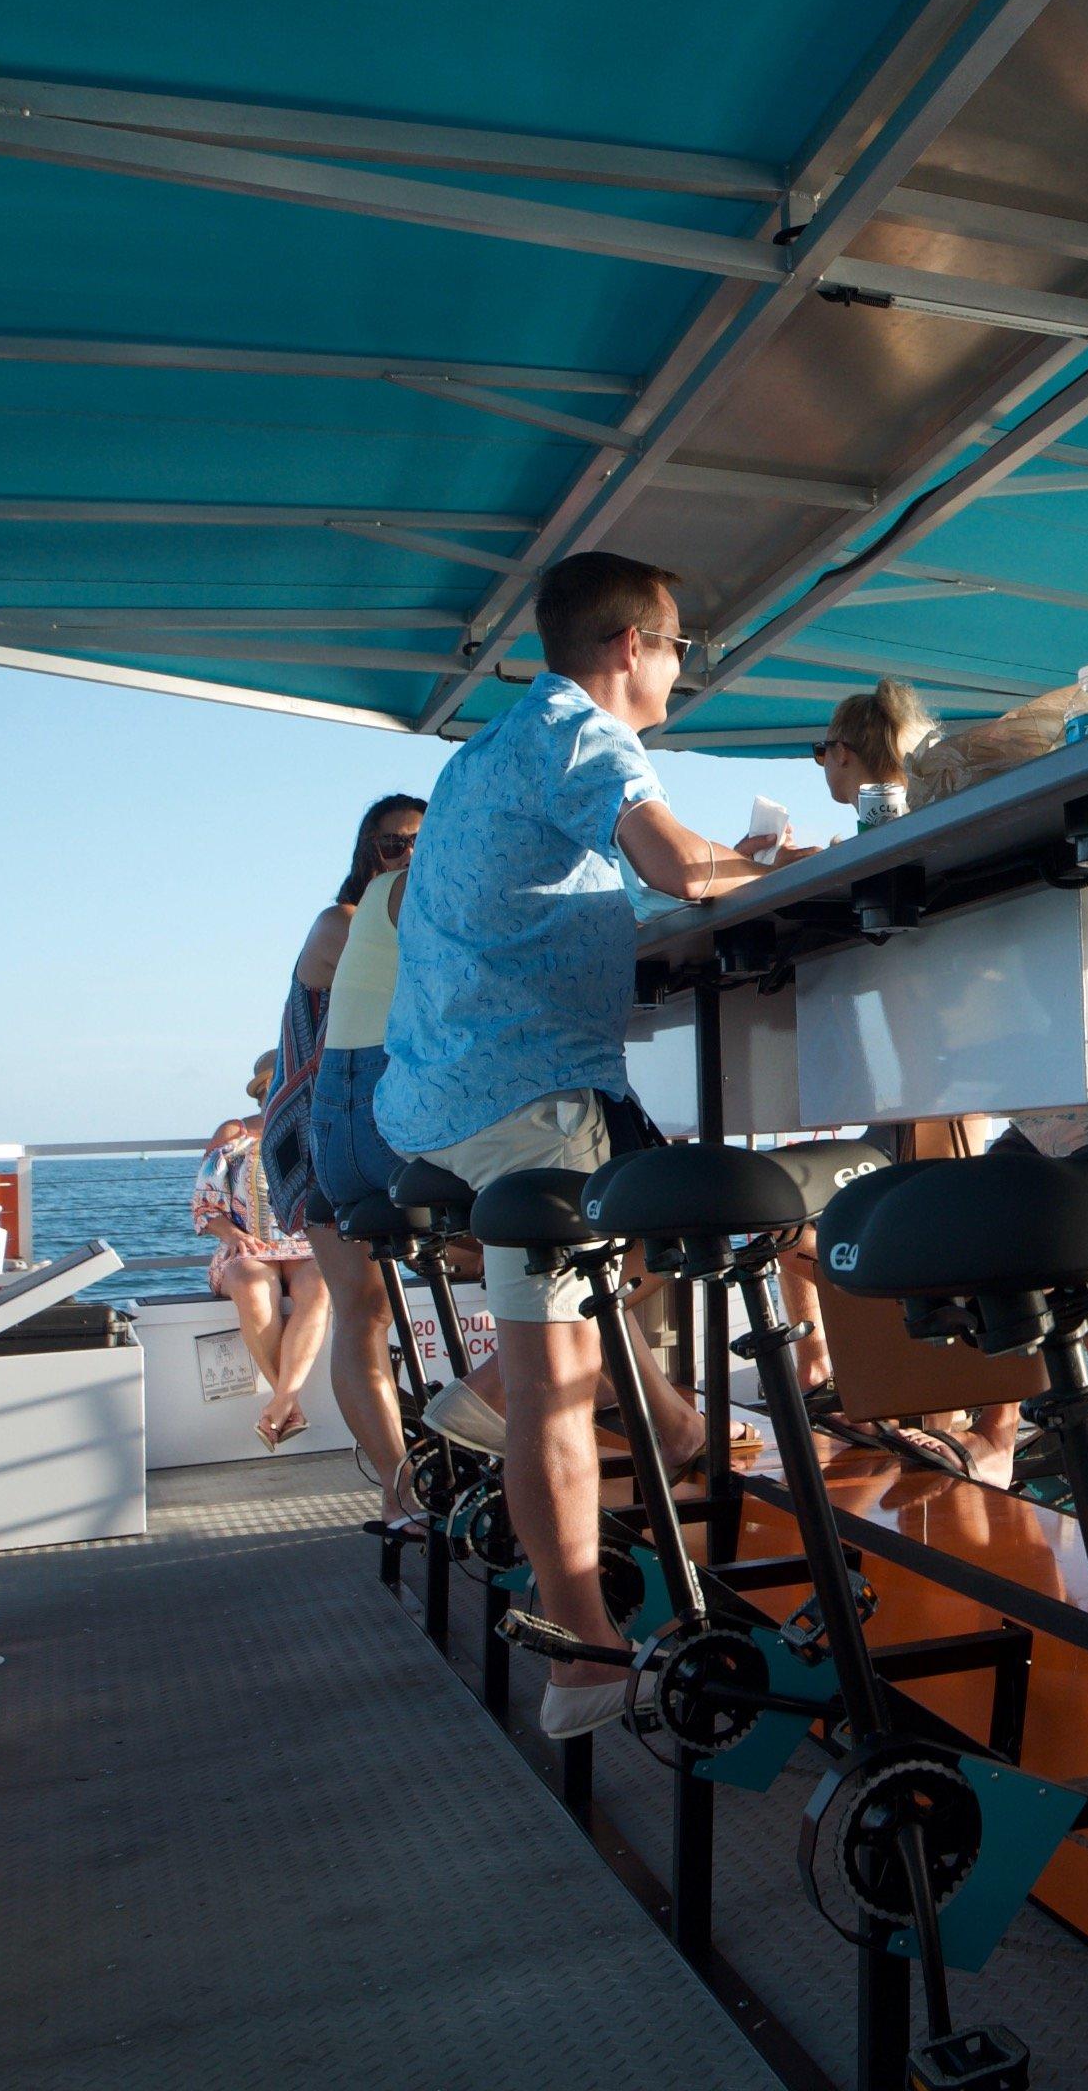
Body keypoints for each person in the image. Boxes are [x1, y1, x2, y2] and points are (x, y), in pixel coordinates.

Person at [376, 550, 806, 1739]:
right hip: (521, 1102)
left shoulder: (482, 753)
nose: (680, 671)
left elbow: (428, 911)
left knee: (622, 1261)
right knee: (554, 1393)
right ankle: (583, 1657)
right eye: (679, 649)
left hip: (439, 1096)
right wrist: (788, 863)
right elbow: (674, 864)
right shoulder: (586, 733)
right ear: (633, 646)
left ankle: (643, 1417)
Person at [292, 795, 428, 1533]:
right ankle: (406, 1478)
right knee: (361, 1312)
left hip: (340, 1134)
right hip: (338, 1132)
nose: (405, 856)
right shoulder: (344, 922)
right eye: (388, 846)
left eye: (420, 841)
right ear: (366, 855)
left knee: (366, 1312)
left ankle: (415, 1481)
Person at [192, 1091, 328, 1448]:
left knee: (321, 1286)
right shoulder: (234, 1133)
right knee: (253, 1287)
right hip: (246, 1247)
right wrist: (236, 1235)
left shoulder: (319, 1127)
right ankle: (289, 1404)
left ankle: (282, 1403)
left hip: (304, 1247)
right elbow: (205, 1204)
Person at [814, 678, 936, 815]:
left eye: (821, 751)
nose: (823, 762)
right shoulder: (933, 819)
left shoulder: (884, 834)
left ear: (840, 752)